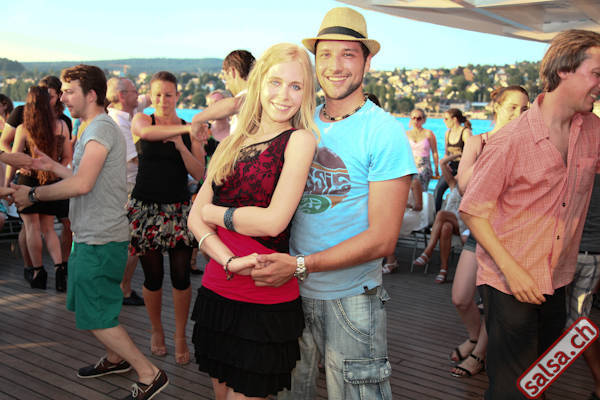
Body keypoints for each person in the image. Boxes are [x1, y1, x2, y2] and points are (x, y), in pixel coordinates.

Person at [251, 8, 416, 399]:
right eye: (325, 54)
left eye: (348, 54)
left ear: (367, 62)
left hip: (352, 299)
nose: (335, 66)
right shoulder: (300, 121)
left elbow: (383, 239)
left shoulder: (384, 132)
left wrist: (301, 265)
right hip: (291, 294)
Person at [11, 64, 168, 400]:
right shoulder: (93, 127)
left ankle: (149, 374)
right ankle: (115, 359)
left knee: (95, 315)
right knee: (99, 306)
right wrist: (53, 167)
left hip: (100, 238)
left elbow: (82, 185)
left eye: (69, 92)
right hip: (95, 235)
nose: (63, 98)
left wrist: (33, 194)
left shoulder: (99, 130)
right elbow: (86, 177)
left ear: (91, 94)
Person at [459, 30, 600, 400]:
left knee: (538, 379)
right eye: (596, 73)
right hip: (510, 280)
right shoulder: (511, 140)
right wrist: (514, 271)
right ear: (565, 70)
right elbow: (472, 210)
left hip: (558, 276)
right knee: (511, 390)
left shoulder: (593, 131)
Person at [188, 42, 318, 400]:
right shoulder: (232, 142)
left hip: (264, 297)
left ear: (306, 94)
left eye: (296, 86)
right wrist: (229, 260)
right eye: (276, 82)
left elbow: (273, 222)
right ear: (259, 83)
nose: (284, 95)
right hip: (218, 288)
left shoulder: (299, 140)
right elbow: (193, 218)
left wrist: (214, 214)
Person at [449, 85, 529, 378]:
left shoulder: (527, 146)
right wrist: (494, 148)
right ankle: (474, 337)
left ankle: (479, 354)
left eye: (524, 109)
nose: (518, 114)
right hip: (479, 231)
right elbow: (463, 187)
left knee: (494, 302)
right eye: (512, 107)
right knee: (460, 296)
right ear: (497, 108)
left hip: (509, 236)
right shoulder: (477, 142)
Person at [129, 71, 205, 366]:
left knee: (181, 276)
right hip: (146, 209)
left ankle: (180, 335)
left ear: (177, 96)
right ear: (151, 96)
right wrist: (187, 130)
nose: (163, 100)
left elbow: (199, 173)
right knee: (153, 277)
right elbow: (147, 135)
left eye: (169, 94)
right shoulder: (142, 120)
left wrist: (182, 144)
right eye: (158, 94)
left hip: (178, 209)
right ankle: (157, 330)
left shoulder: (188, 130)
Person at [1, 76, 74, 283]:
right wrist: (56, 170)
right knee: (49, 229)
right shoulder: (62, 125)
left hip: (28, 180)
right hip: (52, 181)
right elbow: (67, 156)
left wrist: (6, 185)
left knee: (32, 228)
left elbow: (14, 160)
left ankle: (38, 272)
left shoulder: (24, 128)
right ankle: (59, 269)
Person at [106, 77, 149, 306]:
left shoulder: (127, 114)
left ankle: (120, 286)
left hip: (128, 186)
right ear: (122, 96)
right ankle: (122, 289)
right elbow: (135, 159)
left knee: (132, 241)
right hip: (127, 188)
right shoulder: (119, 123)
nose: (138, 94)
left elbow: (146, 99)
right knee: (134, 241)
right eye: (134, 91)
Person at [382, 108, 440, 274]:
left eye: (419, 118)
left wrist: (436, 168)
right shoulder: (405, 134)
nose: (416, 120)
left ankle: (389, 258)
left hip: (422, 168)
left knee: (416, 191)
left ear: (424, 119)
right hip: (409, 167)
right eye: (414, 117)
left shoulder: (429, 134)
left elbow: (435, 152)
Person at [565, 174, 600, 400]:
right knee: (579, 322)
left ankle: (537, 387)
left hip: (566, 252)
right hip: (594, 256)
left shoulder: (575, 168)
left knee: (547, 320)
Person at [412, 154, 467, 283]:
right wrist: (461, 154)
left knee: (441, 214)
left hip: (464, 225)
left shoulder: (472, 190)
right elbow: (442, 163)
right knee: (446, 228)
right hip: (449, 223)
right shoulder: (453, 185)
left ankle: (428, 251)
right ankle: (443, 270)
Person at [191, 50, 255, 141]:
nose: (226, 86)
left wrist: (197, 119)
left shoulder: (251, 96)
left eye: (225, 78)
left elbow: (235, 104)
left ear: (232, 72)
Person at [433, 108, 472, 211]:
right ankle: (436, 215)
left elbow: (470, 153)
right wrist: (445, 166)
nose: (444, 121)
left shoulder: (465, 132)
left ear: (454, 119)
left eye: (446, 119)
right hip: (451, 166)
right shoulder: (448, 133)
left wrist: (459, 157)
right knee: (438, 189)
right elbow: (446, 154)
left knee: (459, 192)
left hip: (464, 167)